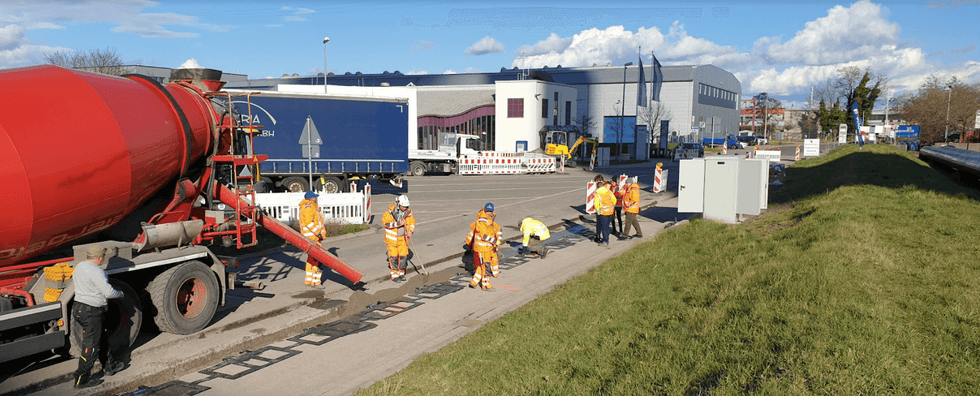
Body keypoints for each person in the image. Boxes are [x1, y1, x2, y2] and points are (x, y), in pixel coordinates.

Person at [72, 244, 126, 389]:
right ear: (99, 258)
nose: (103, 259)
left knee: (101, 336)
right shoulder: (96, 271)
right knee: (91, 346)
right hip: (91, 310)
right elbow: (108, 292)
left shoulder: (80, 266)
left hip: (79, 307)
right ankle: (81, 380)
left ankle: (110, 366)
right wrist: (120, 294)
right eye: (103, 257)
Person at [464, 203, 502, 290]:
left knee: (482, 266)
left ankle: (474, 282)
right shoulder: (481, 222)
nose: (490, 213)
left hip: (487, 249)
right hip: (482, 249)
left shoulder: (489, 220)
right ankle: (486, 285)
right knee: (485, 267)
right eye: (488, 211)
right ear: (485, 210)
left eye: (491, 211)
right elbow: (484, 236)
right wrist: (496, 242)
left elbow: (494, 230)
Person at [382, 195, 415, 282]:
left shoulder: (408, 212)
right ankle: (395, 274)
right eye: (403, 207)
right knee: (393, 257)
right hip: (392, 240)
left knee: (403, 256)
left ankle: (401, 273)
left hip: (403, 239)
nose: (405, 208)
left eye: (406, 207)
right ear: (398, 204)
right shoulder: (389, 213)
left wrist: (410, 231)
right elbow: (386, 224)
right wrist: (398, 223)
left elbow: (412, 223)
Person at [299, 190, 327, 287]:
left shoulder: (309, 207)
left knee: (311, 260)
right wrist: (318, 233)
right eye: (315, 197)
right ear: (311, 199)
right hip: (312, 238)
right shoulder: (309, 207)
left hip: (311, 238)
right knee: (317, 261)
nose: (316, 199)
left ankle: (309, 281)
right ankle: (316, 282)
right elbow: (308, 223)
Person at [593, 181, 615, 247]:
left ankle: (606, 241)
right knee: (607, 226)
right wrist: (611, 207)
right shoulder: (609, 192)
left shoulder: (598, 194)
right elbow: (614, 200)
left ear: (597, 187)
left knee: (604, 227)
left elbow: (596, 205)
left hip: (603, 213)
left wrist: (599, 212)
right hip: (610, 212)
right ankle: (606, 239)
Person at [591, 175, 605, 243]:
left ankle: (604, 237)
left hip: (603, 208)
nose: (596, 183)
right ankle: (598, 235)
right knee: (598, 223)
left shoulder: (604, 187)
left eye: (597, 181)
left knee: (602, 223)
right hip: (599, 208)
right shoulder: (598, 187)